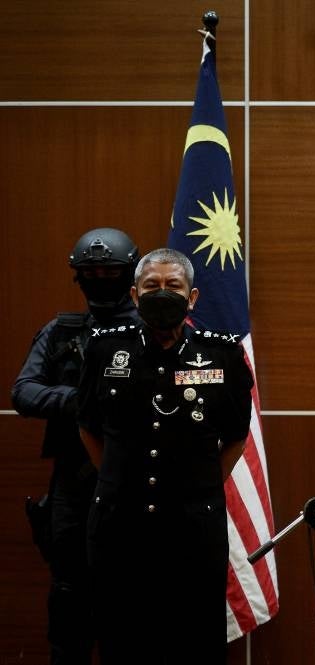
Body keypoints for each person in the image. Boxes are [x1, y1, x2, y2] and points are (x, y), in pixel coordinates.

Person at [76, 248, 253, 665]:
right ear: (134, 295)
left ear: (191, 298)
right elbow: (88, 426)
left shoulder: (221, 355)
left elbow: (235, 437)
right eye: (151, 286)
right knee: (122, 639)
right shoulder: (105, 350)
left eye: (173, 286)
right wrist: (120, 480)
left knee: (194, 640)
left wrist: (200, 486)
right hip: (120, 523)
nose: (162, 293)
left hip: (192, 524)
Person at [12, 228, 140, 665]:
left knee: (132, 604)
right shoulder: (62, 331)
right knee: (69, 603)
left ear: (130, 274)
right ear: (78, 276)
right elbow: (23, 392)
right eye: (91, 271)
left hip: (136, 485)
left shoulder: (150, 332)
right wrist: (79, 401)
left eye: (111, 271)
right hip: (73, 483)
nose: (101, 278)